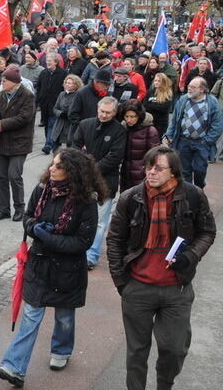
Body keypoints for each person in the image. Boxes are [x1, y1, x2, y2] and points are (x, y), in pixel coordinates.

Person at [106, 146, 217, 390]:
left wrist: (190, 256)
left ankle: (165, 381)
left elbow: (207, 232)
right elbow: (115, 240)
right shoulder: (131, 198)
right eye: (148, 167)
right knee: (137, 349)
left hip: (175, 287)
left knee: (174, 347)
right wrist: (122, 282)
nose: (151, 173)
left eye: (158, 168)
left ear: (173, 172)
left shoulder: (192, 196)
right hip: (138, 287)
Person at [0, 149, 105, 388]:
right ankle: (14, 367)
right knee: (31, 316)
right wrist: (34, 228)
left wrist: (48, 237)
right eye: (52, 164)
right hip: (39, 264)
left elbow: (82, 243)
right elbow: (27, 217)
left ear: (73, 173)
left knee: (64, 316)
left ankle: (62, 350)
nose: (51, 169)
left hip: (67, 271)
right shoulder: (42, 189)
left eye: (58, 166)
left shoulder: (86, 202)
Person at [72, 96, 127, 270]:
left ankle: (91, 255)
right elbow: (74, 145)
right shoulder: (85, 124)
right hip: (82, 180)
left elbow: (115, 156)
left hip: (105, 182)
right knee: (77, 216)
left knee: (100, 222)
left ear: (114, 112)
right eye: (102, 111)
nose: (104, 115)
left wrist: (91, 168)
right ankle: (76, 249)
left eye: (108, 113)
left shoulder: (119, 131)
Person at [0, 65, 36, 222]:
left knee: (14, 175)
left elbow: (25, 117)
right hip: (2, 142)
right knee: (1, 177)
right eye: (2, 79)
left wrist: (3, 124)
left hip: (19, 143)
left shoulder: (27, 96)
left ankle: (19, 208)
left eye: (5, 80)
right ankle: (3, 209)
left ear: (15, 82)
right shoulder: (2, 94)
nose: (2, 82)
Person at [165, 77, 223, 188]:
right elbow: (175, 120)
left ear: (202, 89)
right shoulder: (183, 100)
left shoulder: (212, 102)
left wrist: (207, 141)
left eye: (193, 87)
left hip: (201, 143)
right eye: (189, 86)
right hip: (183, 142)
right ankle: (188, 195)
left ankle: (199, 190)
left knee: (199, 170)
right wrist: (169, 135)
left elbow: (218, 126)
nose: (189, 89)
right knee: (184, 172)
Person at [119, 100, 160, 190]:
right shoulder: (124, 127)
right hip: (126, 172)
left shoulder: (150, 130)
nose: (129, 120)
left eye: (133, 116)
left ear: (139, 115)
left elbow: (154, 155)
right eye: (127, 116)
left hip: (142, 174)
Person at [37, 53, 67, 153]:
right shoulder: (43, 73)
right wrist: (39, 100)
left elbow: (65, 89)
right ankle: (52, 142)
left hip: (56, 103)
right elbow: (39, 87)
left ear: (55, 62)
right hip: (45, 104)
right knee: (47, 125)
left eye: (50, 60)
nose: (48, 62)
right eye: (47, 60)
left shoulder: (63, 73)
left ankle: (48, 145)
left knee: (53, 124)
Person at [51, 74, 83, 149]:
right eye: (66, 83)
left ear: (76, 85)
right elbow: (55, 108)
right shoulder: (61, 94)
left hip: (70, 125)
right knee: (55, 147)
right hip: (59, 123)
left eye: (69, 83)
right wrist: (60, 113)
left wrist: (69, 115)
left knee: (69, 147)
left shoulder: (78, 95)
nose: (67, 85)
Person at [143, 71, 174, 141]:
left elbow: (164, 108)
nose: (156, 82)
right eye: (155, 80)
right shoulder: (150, 91)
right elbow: (145, 105)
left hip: (160, 123)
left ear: (163, 82)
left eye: (159, 81)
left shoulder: (168, 93)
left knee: (155, 141)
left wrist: (151, 105)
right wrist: (155, 105)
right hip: (149, 121)